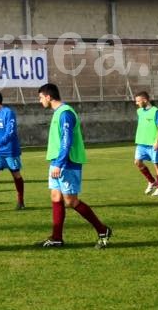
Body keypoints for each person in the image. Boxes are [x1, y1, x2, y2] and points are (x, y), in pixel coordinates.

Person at [37, 83, 111, 248]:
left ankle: (102, 230)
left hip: (66, 162)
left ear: (48, 97)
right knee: (56, 197)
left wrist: (59, 163)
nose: (40, 101)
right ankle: (57, 238)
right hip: (57, 162)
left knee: (71, 201)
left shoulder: (65, 113)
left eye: (41, 97)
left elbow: (66, 140)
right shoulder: (58, 113)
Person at [133, 91, 158, 197]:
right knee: (137, 162)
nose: (136, 103)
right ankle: (152, 181)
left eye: (138, 101)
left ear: (145, 100)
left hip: (153, 144)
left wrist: (157, 141)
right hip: (141, 143)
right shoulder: (139, 111)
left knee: (157, 165)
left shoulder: (156, 112)